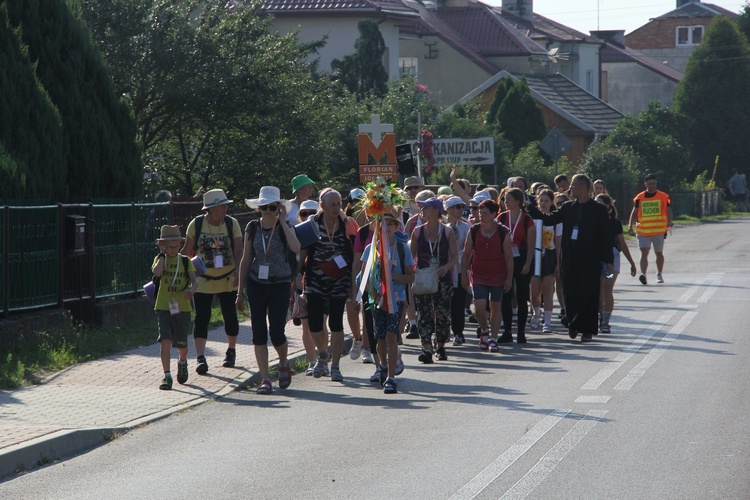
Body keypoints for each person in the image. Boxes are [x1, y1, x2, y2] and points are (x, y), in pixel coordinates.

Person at [527, 174, 613, 342]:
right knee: (571, 293)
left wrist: (608, 260)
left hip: (590, 259)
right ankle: (574, 324)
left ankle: (587, 330)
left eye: (572, 186)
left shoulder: (598, 210)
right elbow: (549, 219)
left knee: (588, 294)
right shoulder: (567, 207)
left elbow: (606, 237)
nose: (569, 189)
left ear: (582, 187)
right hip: (570, 258)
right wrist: (532, 209)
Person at [236, 187, 301, 394]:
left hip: (280, 284)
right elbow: (246, 260)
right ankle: (264, 378)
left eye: (272, 207)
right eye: (264, 207)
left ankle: (283, 361)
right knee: (258, 333)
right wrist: (240, 291)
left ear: (279, 208)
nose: (268, 210)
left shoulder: (286, 227)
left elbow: (296, 247)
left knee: (276, 332)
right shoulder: (252, 228)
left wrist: (282, 220)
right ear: (259, 207)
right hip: (256, 283)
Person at [183, 189, 243, 374]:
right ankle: (201, 358)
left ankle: (231, 351)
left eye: (226, 205)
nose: (226, 208)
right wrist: (179, 271)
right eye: (222, 205)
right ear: (211, 208)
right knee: (202, 318)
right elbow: (187, 251)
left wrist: (238, 273)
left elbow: (240, 251)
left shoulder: (232, 224)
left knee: (230, 316)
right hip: (203, 280)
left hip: (227, 278)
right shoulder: (197, 224)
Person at [300, 188, 354, 381]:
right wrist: (296, 277)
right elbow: (303, 253)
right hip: (315, 280)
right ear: (321, 206)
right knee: (314, 324)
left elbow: (355, 254)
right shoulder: (311, 224)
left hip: (340, 280)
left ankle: (336, 366)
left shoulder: (346, 224)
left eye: (338, 203)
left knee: (336, 322)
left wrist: (353, 284)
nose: (336, 208)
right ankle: (323, 354)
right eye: (332, 204)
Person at [360, 213, 414, 394]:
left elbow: (410, 276)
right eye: (383, 224)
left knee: (392, 335)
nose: (387, 227)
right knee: (380, 338)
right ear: (376, 227)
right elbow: (364, 278)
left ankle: (391, 377)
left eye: (391, 224)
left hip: (396, 299)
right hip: (377, 300)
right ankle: (382, 365)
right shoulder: (370, 249)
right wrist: (371, 294)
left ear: (397, 227)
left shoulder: (401, 248)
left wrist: (392, 277)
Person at [409, 197, 458, 363]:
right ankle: (427, 348)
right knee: (424, 313)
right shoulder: (417, 232)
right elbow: (411, 257)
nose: (422, 210)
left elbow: (455, 257)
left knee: (442, 313)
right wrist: (412, 273)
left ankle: (441, 346)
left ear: (436, 211)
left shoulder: (447, 231)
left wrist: (446, 267)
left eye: (426, 208)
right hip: (423, 277)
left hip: (442, 278)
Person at [461, 200, 513, 351]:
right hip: (478, 273)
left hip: (498, 274)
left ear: (494, 214)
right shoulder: (474, 230)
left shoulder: (503, 232)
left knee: (496, 307)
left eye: (484, 213)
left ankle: (493, 339)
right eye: (479, 212)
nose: (480, 215)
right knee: (479, 306)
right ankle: (484, 330)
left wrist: (509, 278)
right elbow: (466, 254)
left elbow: (509, 257)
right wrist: (464, 275)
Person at [152, 225, 199, 390]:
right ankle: (167, 376)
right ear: (162, 245)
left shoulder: (185, 261)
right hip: (163, 306)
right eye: (169, 246)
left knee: (182, 345)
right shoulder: (160, 259)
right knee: (165, 340)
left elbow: (195, 281)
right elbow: (157, 273)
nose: (174, 249)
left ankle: (182, 361)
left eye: (177, 246)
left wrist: (191, 291)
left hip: (182, 308)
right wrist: (163, 257)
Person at [497, 188, 535, 344]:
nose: (506, 202)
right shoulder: (501, 217)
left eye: (509, 199)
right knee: (505, 296)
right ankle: (507, 331)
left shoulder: (527, 219)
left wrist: (528, 263)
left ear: (518, 201)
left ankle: (521, 332)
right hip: (505, 259)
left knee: (521, 295)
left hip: (522, 258)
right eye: (505, 199)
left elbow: (532, 245)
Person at [596, 194, 637, 334]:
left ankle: (606, 321)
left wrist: (631, 262)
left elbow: (622, 244)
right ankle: (599, 317)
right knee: (598, 289)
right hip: (595, 258)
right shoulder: (591, 222)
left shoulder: (615, 223)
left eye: (601, 204)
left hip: (612, 260)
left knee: (607, 288)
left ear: (608, 206)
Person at [295, 200, 327, 376]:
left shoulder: (324, 232)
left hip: (321, 283)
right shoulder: (295, 232)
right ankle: (312, 361)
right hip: (301, 283)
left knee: (321, 323)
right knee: (306, 326)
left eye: (311, 213)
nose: (307, 216)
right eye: (304, 213)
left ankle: (323, 360)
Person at [628, 173, 673, 285]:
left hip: (658, 230)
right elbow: (634, 212)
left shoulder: (663, 196)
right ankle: (643, 274)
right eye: (649, 184)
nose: (651, 186)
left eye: (653, 184)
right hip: (643, 230)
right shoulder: (640, 198)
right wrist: (630, 226)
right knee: (644, 252)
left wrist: (670, 221)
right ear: (645, 184)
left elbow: (668, 210)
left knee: (659, 253)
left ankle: (659, 273)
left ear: (656, 183)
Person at [529, 189, 561, 334]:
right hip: (535, 256)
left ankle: (547, 322)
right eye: (541, 200)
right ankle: (537, 312)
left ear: (551, 202)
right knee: (535, 291)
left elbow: (558, 244)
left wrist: (558, 263)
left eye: (546, 201)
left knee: (548, 289)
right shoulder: (532, 218)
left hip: (549, 256)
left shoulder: (556, 220)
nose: (543, 203)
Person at [444, 196, 471, 345]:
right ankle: (443, 332)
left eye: (462, 207)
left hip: (460, 268)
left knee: (458, 302)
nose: (461, 210)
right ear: (448, 210)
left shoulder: (465, 226)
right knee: (443, 303)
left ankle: (458, 332)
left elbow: (468, 250)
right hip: (444, 269)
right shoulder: (441, 225)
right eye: (457, 207)